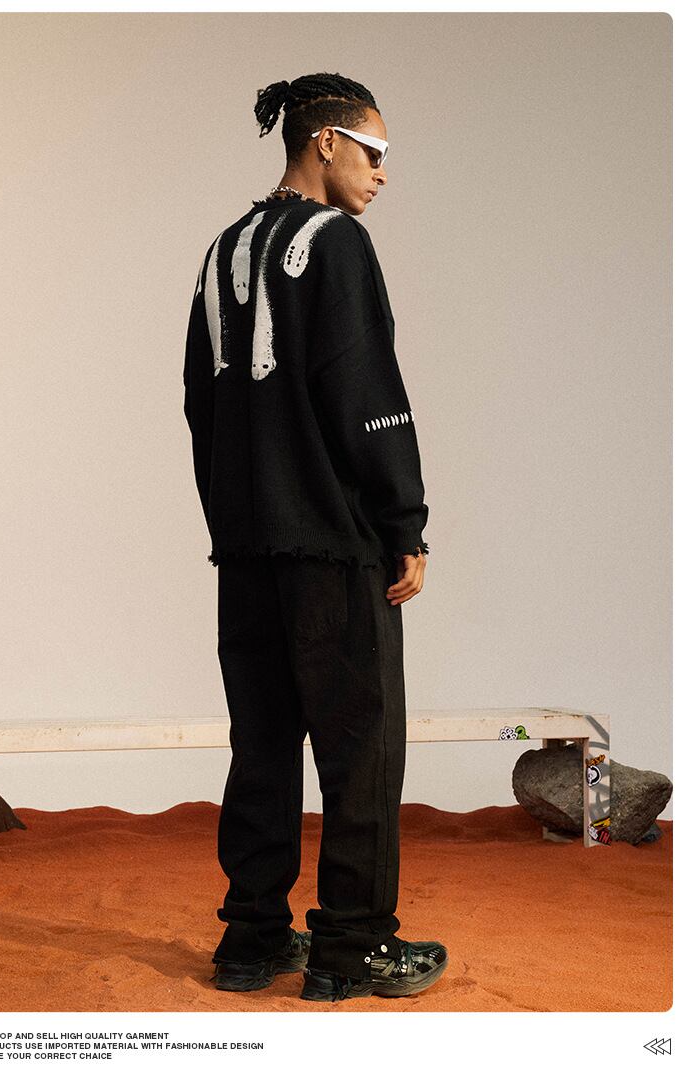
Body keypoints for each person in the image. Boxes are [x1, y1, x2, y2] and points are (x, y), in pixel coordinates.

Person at [183, 71, 448, 1002]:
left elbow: (200, 404)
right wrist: (404, 521)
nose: (382, 172)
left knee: (261, 742)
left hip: (247, 550)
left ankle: (251, 941)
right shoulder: (337, 242)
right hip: (335, 547)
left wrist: (233, 523)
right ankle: (353, 946)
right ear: (326, 141)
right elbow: (365, 392)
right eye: (374, 151)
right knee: (359, 746)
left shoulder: (223, 249)